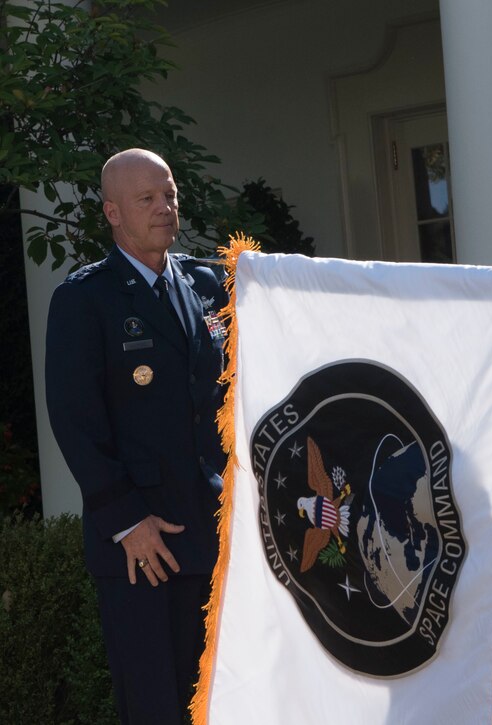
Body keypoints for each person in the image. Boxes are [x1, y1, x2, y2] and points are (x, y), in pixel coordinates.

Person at [45, 148, 228, 724]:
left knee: (221, 698)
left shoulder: (209, 284)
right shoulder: (84, 299)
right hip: (141, 545)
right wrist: (126, 521)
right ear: (114, 213)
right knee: (156, 707)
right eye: (146, 199)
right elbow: (75, 421)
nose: (164, 207)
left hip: (211, 529)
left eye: (169, 193)